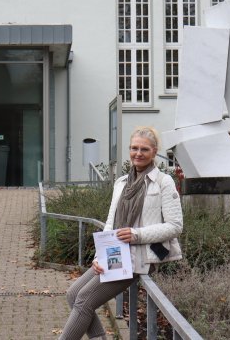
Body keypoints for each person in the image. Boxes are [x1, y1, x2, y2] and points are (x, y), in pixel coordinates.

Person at [59, 126, 183, 340]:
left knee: (84, 300)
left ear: (154, 152)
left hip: (139, 258)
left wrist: (137, 234)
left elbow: (175, 226)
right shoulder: (122, 183)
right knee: (73, 295)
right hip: (115, 252)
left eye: (144, 149)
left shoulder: (164, 182)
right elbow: (110, 224)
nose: (138, 153)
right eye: (134, 148)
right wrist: (99, 257)